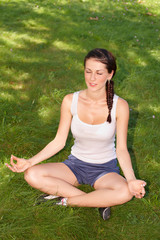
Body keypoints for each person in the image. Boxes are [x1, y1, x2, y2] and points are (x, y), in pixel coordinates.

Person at [6, 48, 146, 220]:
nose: (92, 78)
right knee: (32, 174)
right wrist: (30, 161)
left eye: (99, 73)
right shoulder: (70, 100)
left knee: (125, 192)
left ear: (110, 74)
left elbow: (122, 149)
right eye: (88, 71)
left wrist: (131, 180)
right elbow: (59, 141)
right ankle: (99, 201)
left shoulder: (120, 106)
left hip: (105, 169)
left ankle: (64, 201)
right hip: (74, 166)